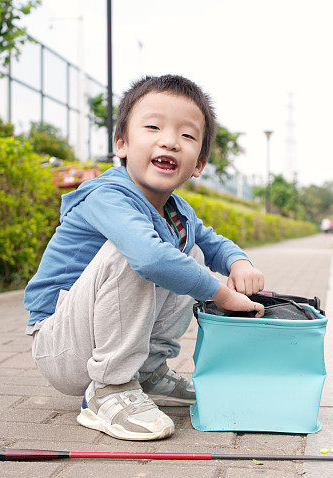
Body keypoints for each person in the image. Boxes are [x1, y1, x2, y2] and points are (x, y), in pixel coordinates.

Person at [23, 75, 265, 441]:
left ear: (198, 164)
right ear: (121, 144)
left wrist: (239, 263)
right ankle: (108, 389)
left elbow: (211, 242)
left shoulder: (177, 209)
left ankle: (148, 373)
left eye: (186, 135)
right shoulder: (107, 195)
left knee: (189, 252)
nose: (168, 140)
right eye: (152, 127)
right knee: (142, 253)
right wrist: (221, 292)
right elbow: (149, 258)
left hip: (94, 339)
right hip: (62, 345)